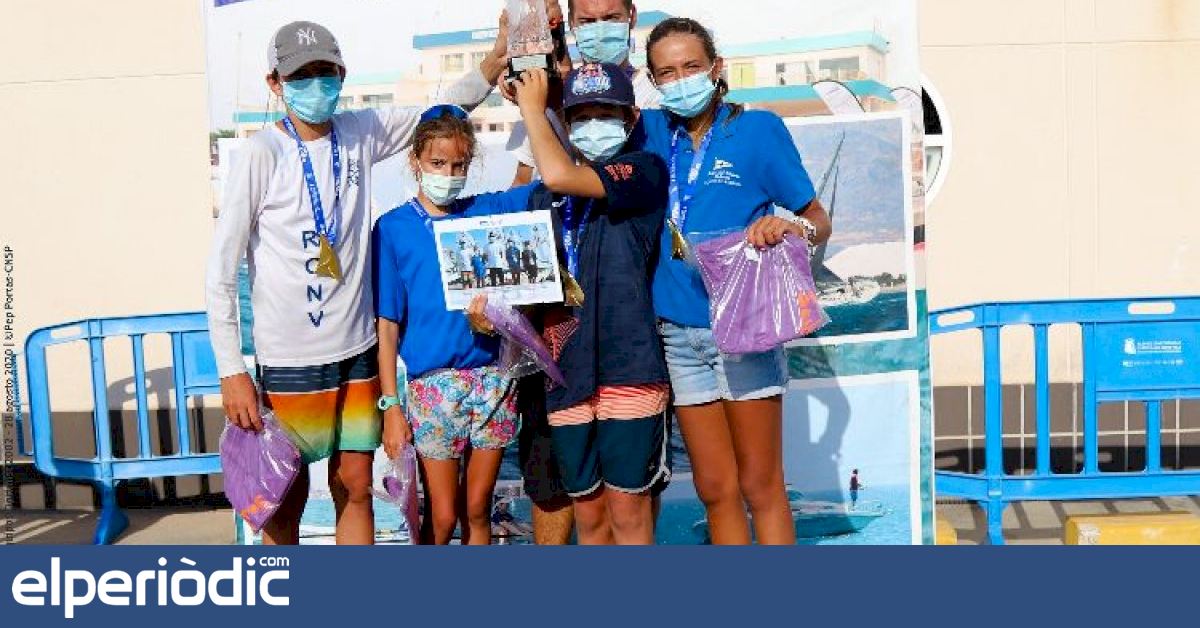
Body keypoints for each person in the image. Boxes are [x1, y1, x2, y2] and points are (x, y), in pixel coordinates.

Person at [206, 20, 507, 546]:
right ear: (275, 83)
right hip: (289, 360)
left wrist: (495, 57)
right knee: (285, 498)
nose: (316, 84)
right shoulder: (261, 154)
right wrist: (232, 370)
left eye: (325, 72)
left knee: (355, 486)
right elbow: (221, 271)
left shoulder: (359, 131)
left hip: (358, 352)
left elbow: (440, 111)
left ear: (342, 75)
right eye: (301, 75)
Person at [637, 17, 833, 545]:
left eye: (691, 67)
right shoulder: (651, 132)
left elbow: (817, 219)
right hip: (678, 335)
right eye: (667, 72)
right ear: (653, 81)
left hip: (744, 329)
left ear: (716, 67)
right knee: (714, 489)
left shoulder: (758, 130)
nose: (680, 80)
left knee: (760, 485)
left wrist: (790, 227)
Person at [472, 63, 670, 545]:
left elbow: (561, 173)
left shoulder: (644, 170)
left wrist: (532, 109)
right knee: (590, 516)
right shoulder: (542, 198)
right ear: (567, 121)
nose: (593, 125)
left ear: (631, 118)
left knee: (629, 513)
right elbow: (532, 293)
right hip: (565, 374)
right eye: (581, 116)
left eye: (606, 114)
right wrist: (492, 316)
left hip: (629, 368)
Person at [373, 105, 541, 545]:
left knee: (478, 509)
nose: (449, 174)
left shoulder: (486, 210)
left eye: (460, 165)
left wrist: (539, 105)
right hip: (432, 387)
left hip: (494, 381)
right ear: (415, 160)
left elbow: (543, 184)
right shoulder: (391, 229)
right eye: (438, 163)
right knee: (442, 516)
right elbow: (386, 325)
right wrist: (390, 406)